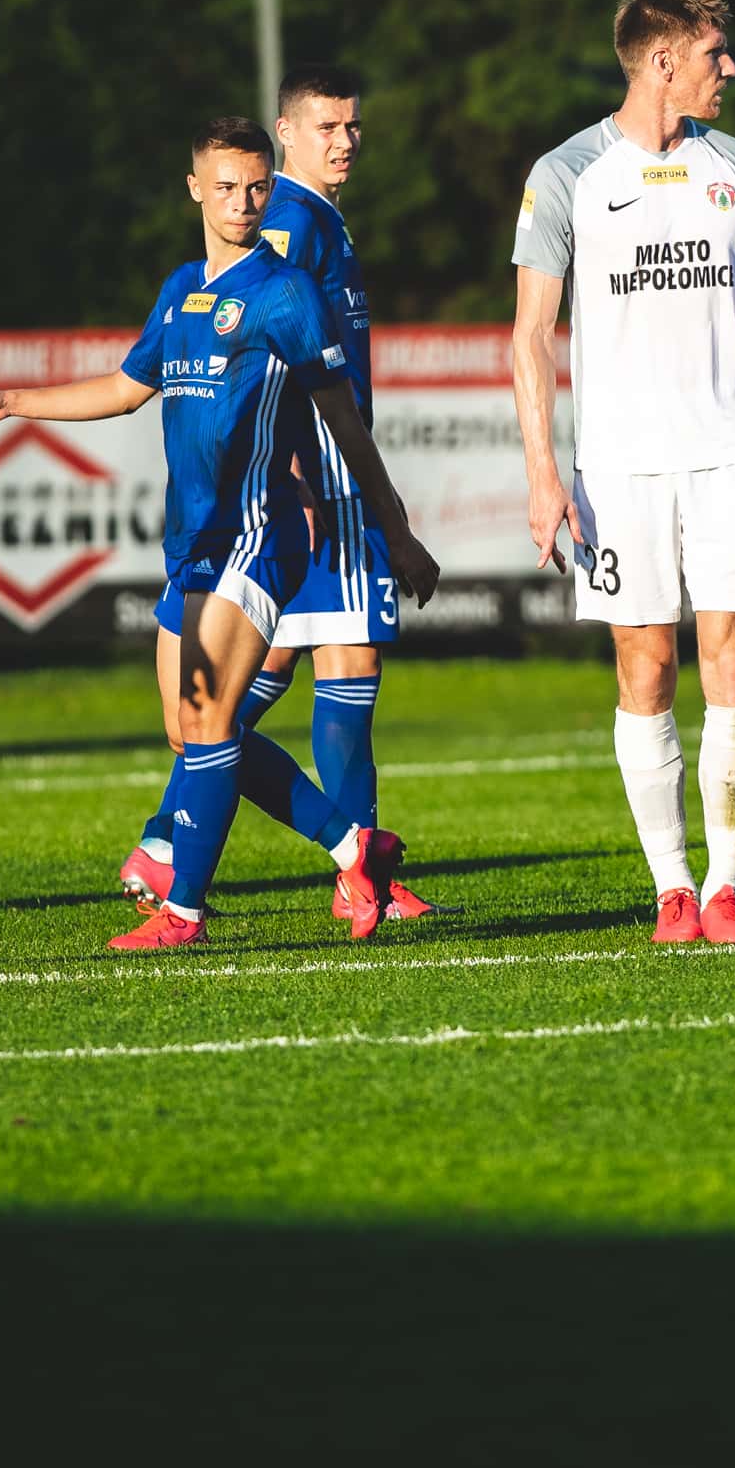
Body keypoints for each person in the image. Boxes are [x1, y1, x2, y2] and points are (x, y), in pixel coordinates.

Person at [0, 117, 442, 949]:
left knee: (210, 718)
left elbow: (344, 424)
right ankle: (355, 848)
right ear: (195, 189)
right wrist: (12, 403)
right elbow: (124, 388)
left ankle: (183, 913)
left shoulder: (286, 292)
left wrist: (395, 531)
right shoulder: (181, 289)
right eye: (226, 187)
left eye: (256, 187)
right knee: (194, 729)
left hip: (259, 536)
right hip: (193, 545)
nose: (243, 202)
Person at [512, 0, 735, 944]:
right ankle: (671, 888)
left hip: (731, 454)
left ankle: (725, 888)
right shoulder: (565, 173)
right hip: (620, 468)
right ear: (662, 61)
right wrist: (543, 472)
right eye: (714, 53)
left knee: (734, 659)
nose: (731, 69)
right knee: (644, 668)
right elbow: (531, 336)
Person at [117, 63, 433, 919]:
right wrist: (301, 475)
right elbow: (266, 361)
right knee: (342, 660)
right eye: (327, 126)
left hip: (302, 486)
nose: (346, 140)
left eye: (353, 125)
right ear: (285, 132)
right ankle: (355, 868)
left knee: (259, 676)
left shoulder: (313, 215)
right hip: (317, 485)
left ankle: (168, 841)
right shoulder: (286, 223)